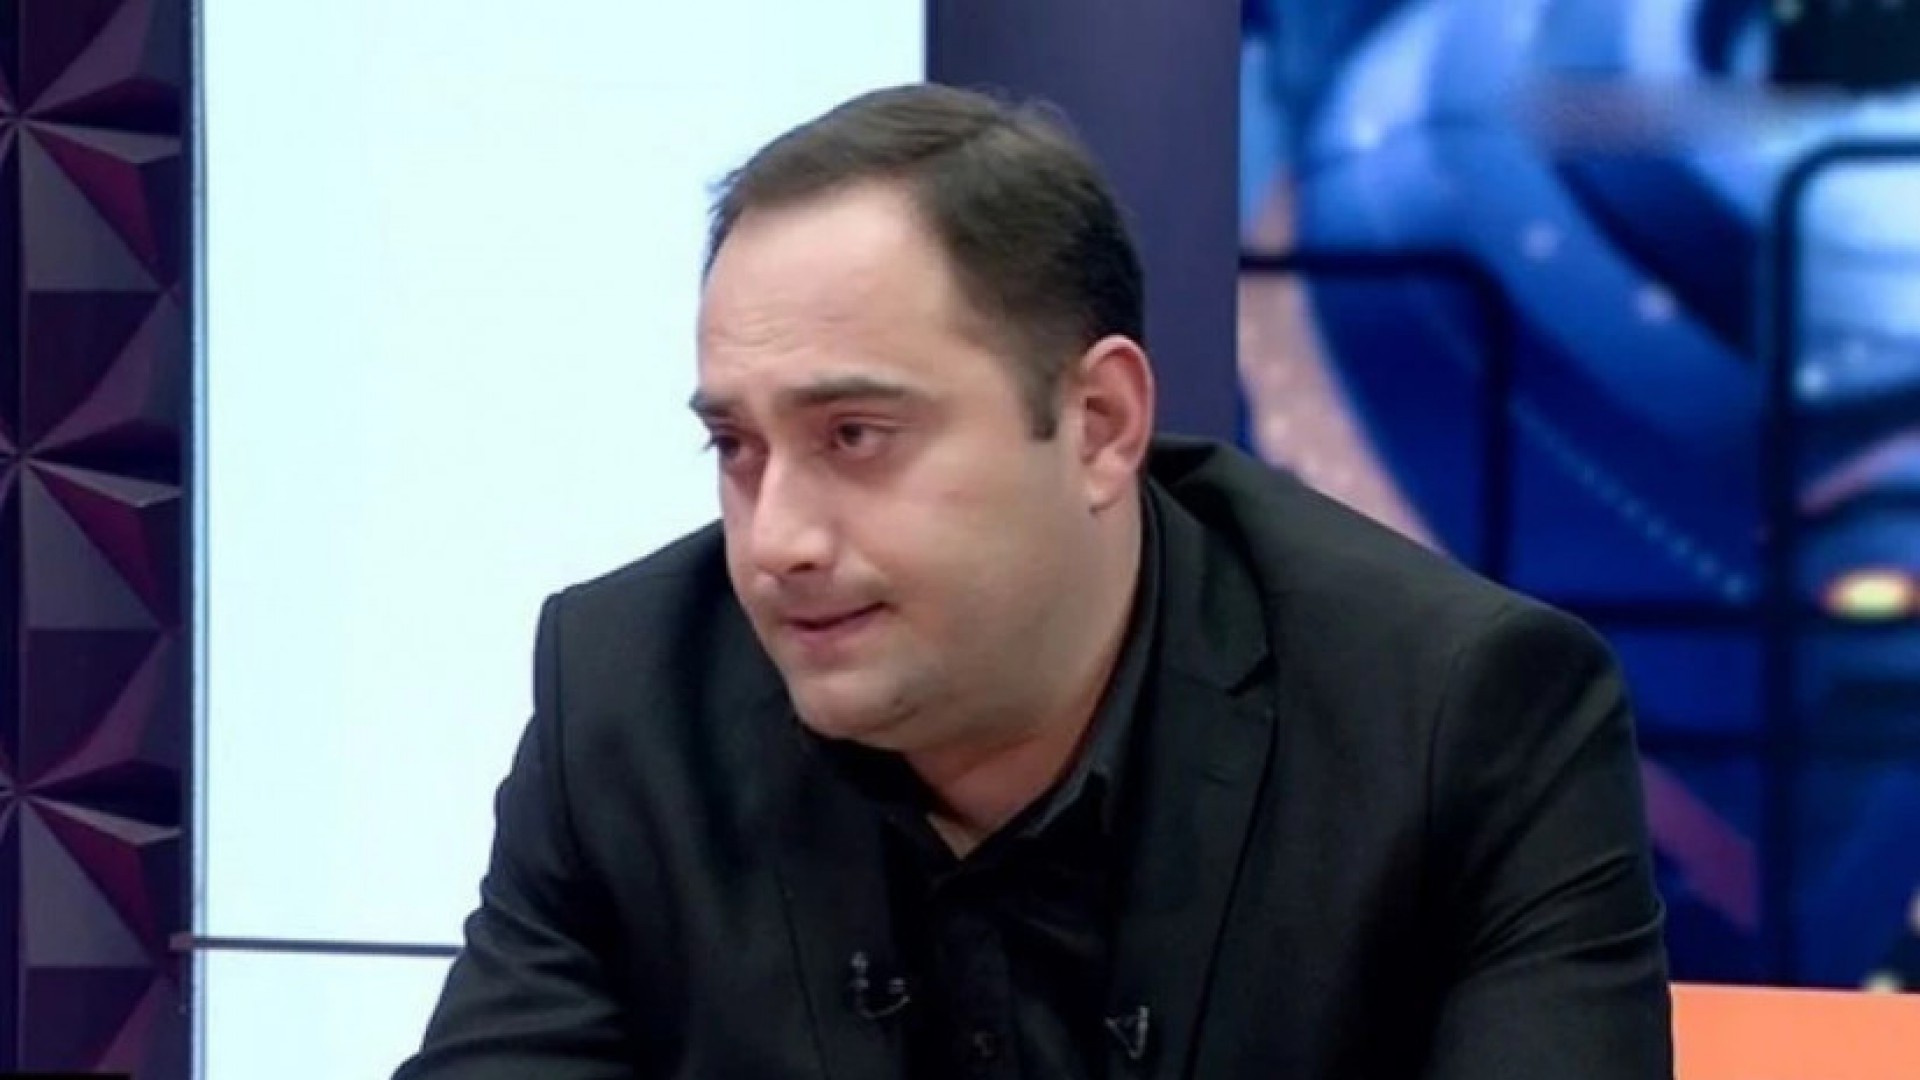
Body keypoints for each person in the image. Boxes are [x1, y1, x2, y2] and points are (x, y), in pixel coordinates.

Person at [394, 82, 1671, 1079]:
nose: (776, 540)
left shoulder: (1460, 722)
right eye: (736, 448)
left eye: (855, 436)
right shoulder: (626, 701)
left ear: (1101, 424)